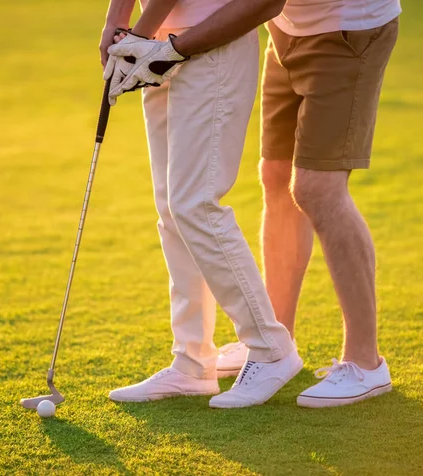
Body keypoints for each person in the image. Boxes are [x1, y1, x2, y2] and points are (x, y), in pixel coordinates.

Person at [106, 0, 401, 408]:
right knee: (275, 179)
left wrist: (161, 40)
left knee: (317, 190)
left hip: (347, 30)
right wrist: (123, 24)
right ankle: (266, 337)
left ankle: (363, 362)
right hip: (288, 33)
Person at [100, 0, 302, 408]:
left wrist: (138, 30)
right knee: (172, 211)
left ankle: (271, 348)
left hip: (211, 42)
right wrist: (117, 22)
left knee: (195, 204)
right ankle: (192, 362)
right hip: (155, 48)